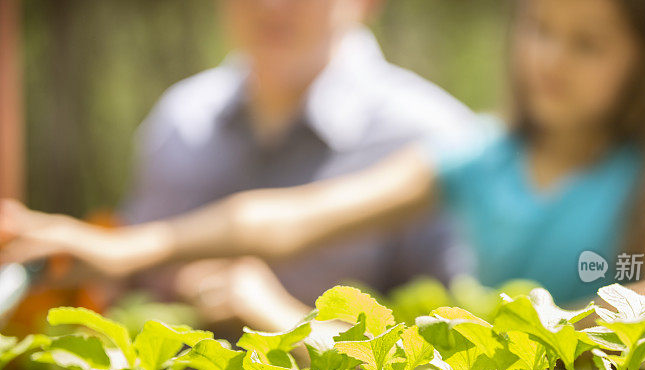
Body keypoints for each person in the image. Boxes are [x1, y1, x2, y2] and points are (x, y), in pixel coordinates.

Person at [1, 0, 645, 331]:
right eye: (540, 29)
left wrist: (529, 338)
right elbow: (287, 216)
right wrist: (131, 245)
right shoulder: (483, 152)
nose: (551, 59)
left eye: (587, 44)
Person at [120, 0, 475, 305]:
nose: (271, 5)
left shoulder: (438, 138)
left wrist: (285, 323)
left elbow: (455, 352)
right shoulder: (179, 121)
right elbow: (129, 288)